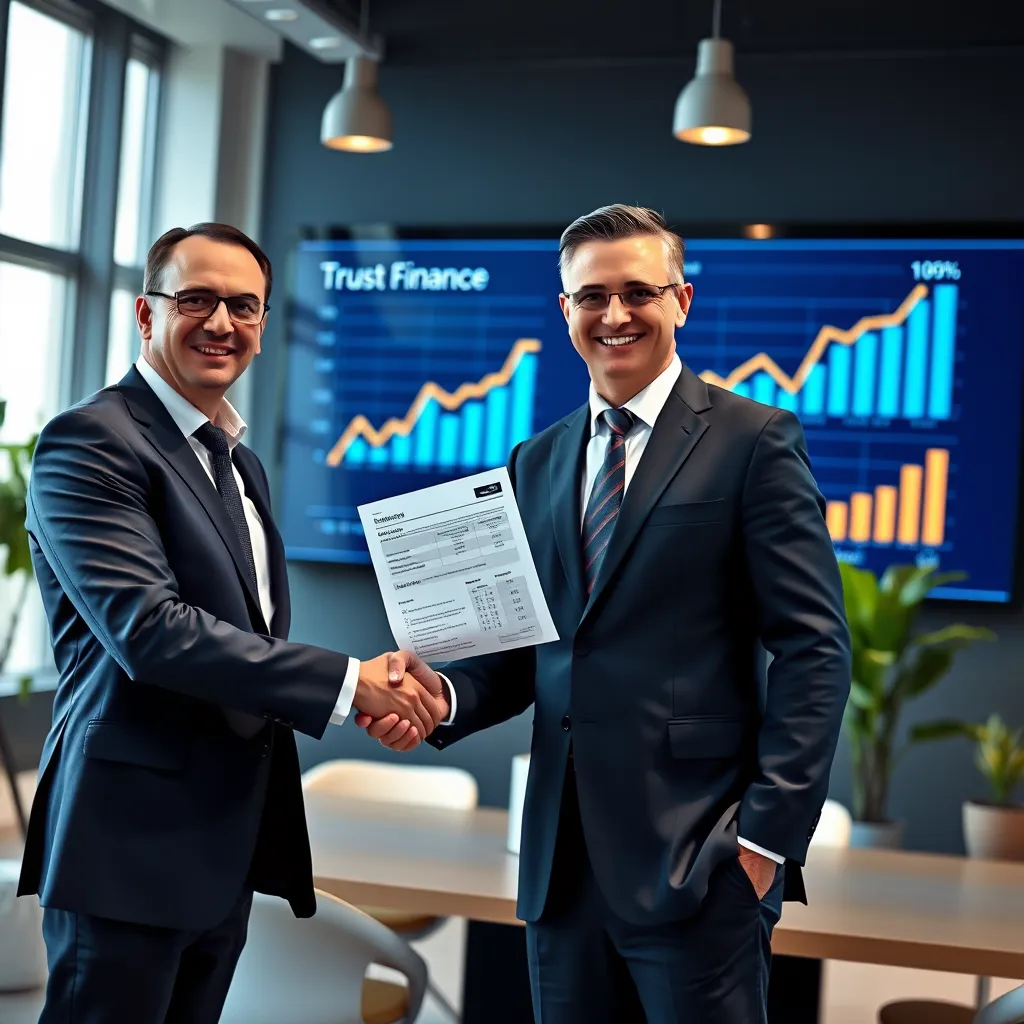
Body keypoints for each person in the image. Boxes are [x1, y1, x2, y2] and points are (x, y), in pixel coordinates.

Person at [358, 205, 852, 1023]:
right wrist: (439, 698)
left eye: (638, 292)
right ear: (564, 311)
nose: (615, 315)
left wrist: (764, 843)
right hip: (561, 869)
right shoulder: (537, 459)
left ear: (682, 300)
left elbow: (814, 650)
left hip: (699, 863)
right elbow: (527, 649)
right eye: (592, 296)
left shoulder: (753, 440)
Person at [18, 222, 444, 1024]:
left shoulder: (235, 458)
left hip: (222, 850)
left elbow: (249, 643)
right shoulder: (91, 442)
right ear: (146, 315)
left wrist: (368, 693)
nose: (222, 323)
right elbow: (153, 633)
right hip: (127, 851)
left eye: (243, 306)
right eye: (197, 299)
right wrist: (354, 686)